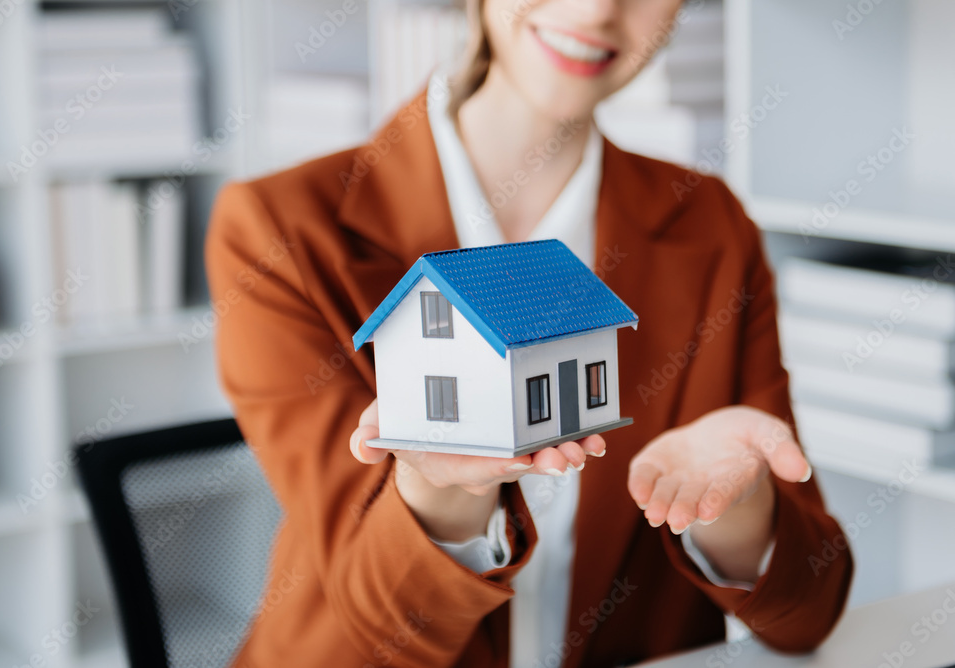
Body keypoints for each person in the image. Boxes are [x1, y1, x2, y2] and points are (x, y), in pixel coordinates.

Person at [205, 0, 854, 665]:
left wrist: (735, 509)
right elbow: (385, 624)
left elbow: (807, 616)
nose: (599, 8)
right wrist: (442, 496)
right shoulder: (274, 229)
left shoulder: (712, 225)